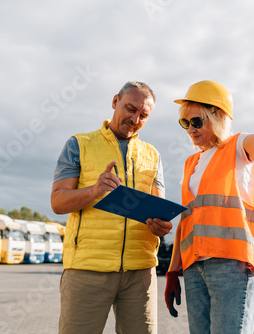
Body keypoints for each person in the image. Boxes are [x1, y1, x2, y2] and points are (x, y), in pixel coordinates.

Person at [165, 80, 254, 333]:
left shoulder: (237, 147)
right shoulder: (192, 163)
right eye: (185, 123)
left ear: (218, 117)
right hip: (194, 269)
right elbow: (186, 220)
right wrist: (173, 271)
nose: (190, 129)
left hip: (231, 267)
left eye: (196, 122)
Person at [51, 81, 173, 334]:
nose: (135, 118)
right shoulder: (78, 144)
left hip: (140, 272)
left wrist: (162, 226)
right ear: (115, 101)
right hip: (87, 269)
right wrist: (94, 191)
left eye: (144, 115)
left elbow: (159, 208)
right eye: (130, 108)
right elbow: (58, 202)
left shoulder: (153, 155)